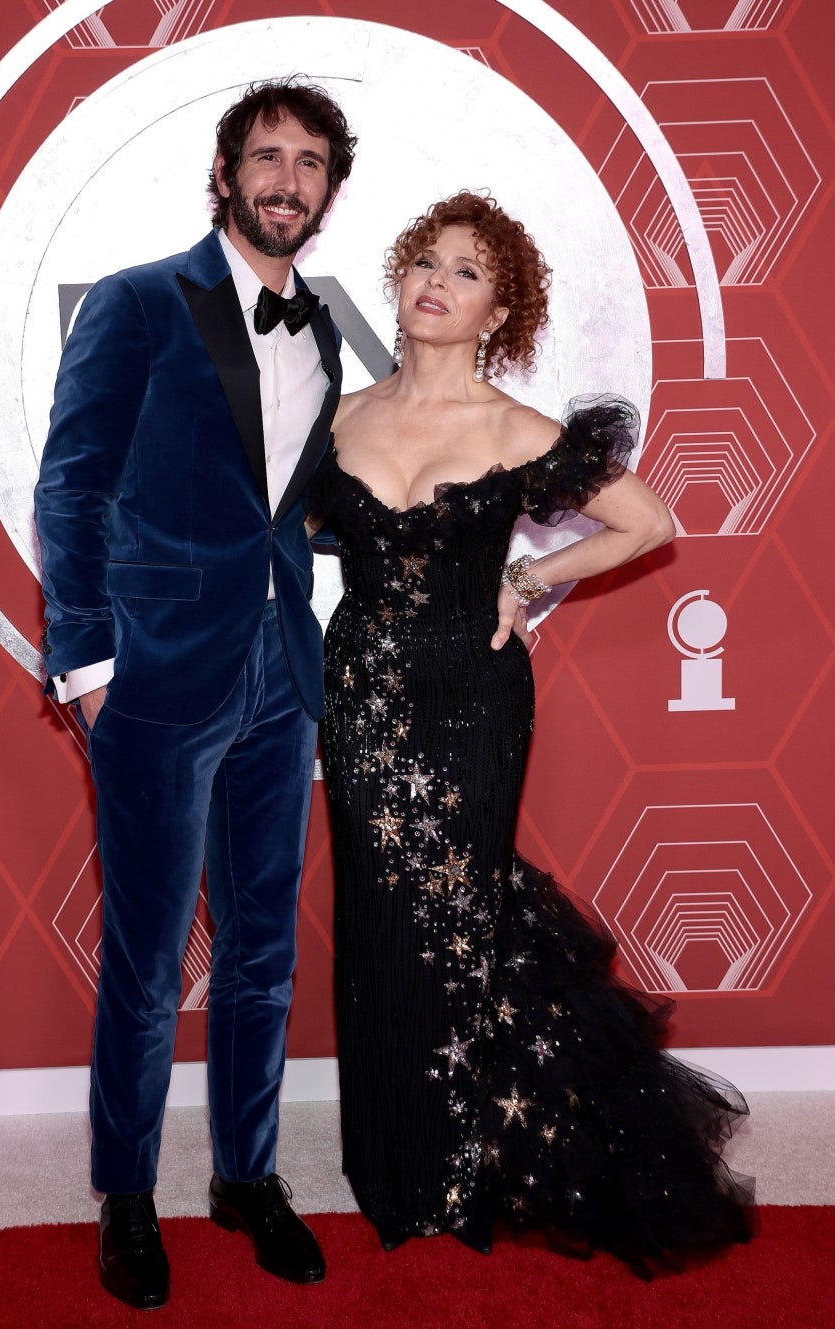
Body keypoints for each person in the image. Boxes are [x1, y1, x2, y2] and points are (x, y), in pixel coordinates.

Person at [309, 191, 754, 1274]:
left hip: (473, 693)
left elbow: (648, 522)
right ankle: (392, 1165)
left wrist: (528, 576)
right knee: (378, 918)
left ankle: (461, 1167)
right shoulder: (337, 416)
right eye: (426, 260)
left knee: (463, 912)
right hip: (363, 694)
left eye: (466, 272)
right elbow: (274, 533)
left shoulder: (517, 429)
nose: (437, 281)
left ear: (499, 312)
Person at [33, 79, 356, 1310]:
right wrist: (90, 664)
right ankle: (127, 1194)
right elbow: (72, 486)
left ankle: (246, 1175)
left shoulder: (321, 332)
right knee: (149, 953)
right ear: (225, 175)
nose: (287, 179)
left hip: (280, 672)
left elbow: (288, 507)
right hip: (156, 677)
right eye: (266, 156)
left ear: (329, 191)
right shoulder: (136, 302)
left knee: (264, 947)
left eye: (310, 161)